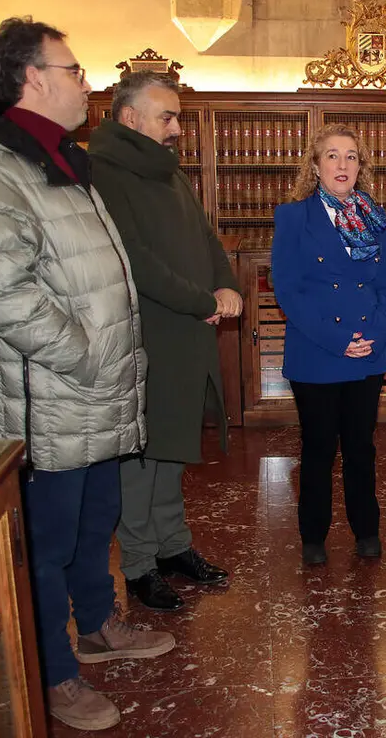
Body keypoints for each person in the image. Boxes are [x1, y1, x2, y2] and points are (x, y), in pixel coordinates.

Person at [0, 17, 175, 732]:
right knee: (46, 541)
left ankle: (96, 626)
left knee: (96, 519)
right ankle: (53, 670)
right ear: (31, 78)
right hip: (45, 397)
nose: (85, 82)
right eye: (72, 70)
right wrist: (86, 351)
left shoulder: (60, 156)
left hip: (90, 397)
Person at [88, 72, 239, 612]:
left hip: (185, 331)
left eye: (177, 116)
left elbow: (204, 235)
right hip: (145, 333)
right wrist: (203, 301)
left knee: (173, 446)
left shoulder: (167, 170)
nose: (177, 127)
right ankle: (138, 565)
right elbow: (134, 261)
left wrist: (224, 282)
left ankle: (174, 547)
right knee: (141, 456)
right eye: (166, 116)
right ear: (129, 118)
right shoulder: (104, 170)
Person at [271, 123, 386, 566]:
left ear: (360, 166)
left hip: (368, 352)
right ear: (315, 165)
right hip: (317, 351)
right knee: (319, 448)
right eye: (332, 155)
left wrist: (374, 336)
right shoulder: (293, 217)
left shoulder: (373, 217)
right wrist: (339, 339)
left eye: (351, 156)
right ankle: (313, 536)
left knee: (362, 447)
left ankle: (367, 530)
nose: (342, 164)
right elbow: (287, 290)